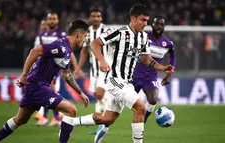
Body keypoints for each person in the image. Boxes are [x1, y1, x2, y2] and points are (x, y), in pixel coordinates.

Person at [62, 4, 174, 143]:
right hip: (114, 79)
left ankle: (70, 122)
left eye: (147, 20)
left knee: (107, 119)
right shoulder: (119, 32)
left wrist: (163, 68)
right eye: (142, 20)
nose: (146, 23)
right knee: (140, 108)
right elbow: (95, 43)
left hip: (126, 82)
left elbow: (146, 59)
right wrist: (102, 61)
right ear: (133, 18)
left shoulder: (144, 38)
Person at [0, 20, 90, 143]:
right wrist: (24, 75)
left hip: (34, 87)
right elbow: (35, 51)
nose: (85, 39)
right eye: (85, 36)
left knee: (20, 119)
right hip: (37, 86)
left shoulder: (67, 50)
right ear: (78, 34)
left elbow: (66, 74)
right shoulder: (60, 46)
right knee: (71, 110)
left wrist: (80, 93)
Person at [34, 13, 80, 127]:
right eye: (50, 19)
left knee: (52, 90)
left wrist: (76, 66)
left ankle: (55, 118)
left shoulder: (61, 34)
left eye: (54, 18)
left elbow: (69, 52)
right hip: (42, 68)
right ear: (47, 20)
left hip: (56, 68)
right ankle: (45, 117)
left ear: (58, 20)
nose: (52, 20)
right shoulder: (42, 35)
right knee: (47, 92)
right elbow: (39, 51)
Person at [133, 16, 176, 123]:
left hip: (150, 77)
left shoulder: (168, 43)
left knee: (153, 100)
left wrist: (169, 75)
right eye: (157, 24)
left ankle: (144, 118)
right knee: (121, 103)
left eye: (162, 24)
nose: (159, 26)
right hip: (134, 75)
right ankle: (105, 125)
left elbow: (173, 56)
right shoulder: (143, 37)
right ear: (152, 25)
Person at [74, 8, 108, 134]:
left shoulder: (107, 31)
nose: (95, 18)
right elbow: (84, 51)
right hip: (94, 70)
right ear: (90, 17)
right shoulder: (87, 32)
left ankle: (105, 121)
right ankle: (102, 124)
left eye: (98, 16)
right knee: (97, 96)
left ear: (101, 18)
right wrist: (78, 68)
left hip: (106, 69)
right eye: (93, 16)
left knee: (100, 95)